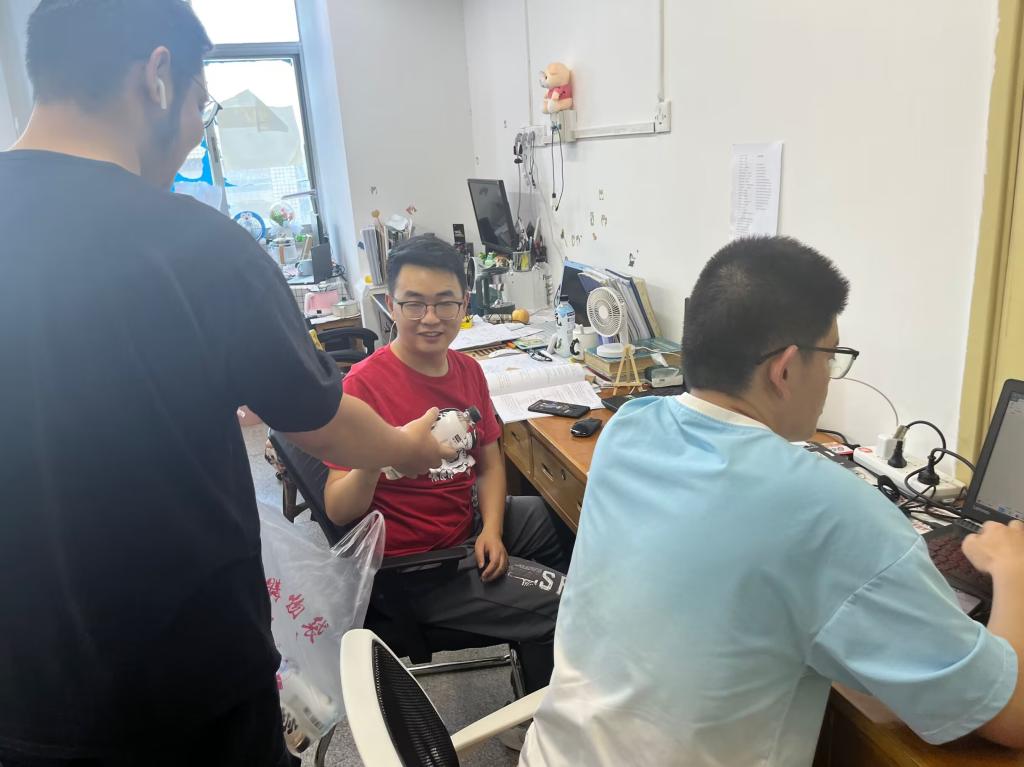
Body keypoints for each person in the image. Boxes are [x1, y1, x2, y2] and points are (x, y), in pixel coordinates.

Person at [0, 3, 453, 766]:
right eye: (199, 107)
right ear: (157, 75)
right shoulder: (194, 245)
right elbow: (324, 421)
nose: (192, 135)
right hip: (183, 688)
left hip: (21, 696)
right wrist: (409, 447)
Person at [520, 236, 1024, 766]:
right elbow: (1009, 715)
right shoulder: (835, 512)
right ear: (784, 370)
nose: (830, 378)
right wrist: (1012, 571)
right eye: (831, 357)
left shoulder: (629, 428)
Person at [323, 235, 570, 695]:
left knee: (557, 518)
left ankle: (541, 657)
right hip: (419, 568)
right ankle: (543, 708)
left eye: (444, 303)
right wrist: (383, 453)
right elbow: (338, 508)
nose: (431, 318)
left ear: (464, 304)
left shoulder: (468, 371)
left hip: (464, 524)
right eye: (414, 304)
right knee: (565, 604)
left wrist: (492, 530)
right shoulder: (363, 387)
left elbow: (489, 464)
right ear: (390, 306)